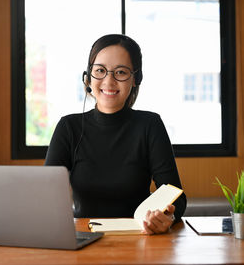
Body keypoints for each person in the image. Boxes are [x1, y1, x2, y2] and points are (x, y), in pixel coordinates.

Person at [45, 34, 186, 234]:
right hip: (83, 239)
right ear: (88, 77)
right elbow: (46, 194)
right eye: (100, 71)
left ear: (136, 79)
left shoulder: (150, 125)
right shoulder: (68, 127)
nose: (109, 81)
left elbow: (177, 198)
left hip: (140, 239)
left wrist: (166, 217)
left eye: (120, 72)